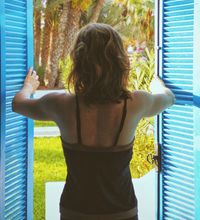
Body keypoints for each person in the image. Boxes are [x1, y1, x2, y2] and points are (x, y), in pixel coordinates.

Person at [12, 23, 175, 220]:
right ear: (120, 61)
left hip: (75, 211)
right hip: (122, 212)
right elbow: (168, 98)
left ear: (78, 61)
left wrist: (28, 87)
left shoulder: (60, 104)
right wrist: (157, 86)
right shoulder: (136, 102)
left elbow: (18, 104)